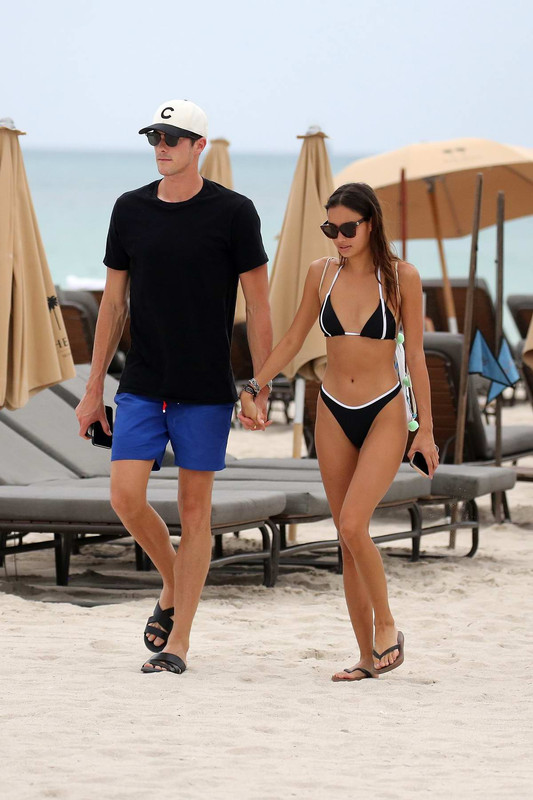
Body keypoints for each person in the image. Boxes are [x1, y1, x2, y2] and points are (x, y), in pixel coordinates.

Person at [76, 99, 272, 675]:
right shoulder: (130, 209)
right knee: (125, 497)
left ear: (198, 146)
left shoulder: (235, 213)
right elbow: (112, 304)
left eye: (173, 137)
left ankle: (178, 640)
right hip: (142, 382)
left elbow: (259, 306)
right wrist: (93, 390)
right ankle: (173, 584)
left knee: (195, 512)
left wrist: (259, 384)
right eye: (155, 136)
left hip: (207, 389)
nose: (161, 145)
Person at [240, 182, 439, 682]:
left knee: (353, 524)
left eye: (348, 228)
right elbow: (292, 337)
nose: (339, 238)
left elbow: (415, 357)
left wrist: (426, 432)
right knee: (347, 539)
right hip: (331, 410)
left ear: (371, 222)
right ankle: (367, 659)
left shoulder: (401, 277)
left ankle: (388, 627)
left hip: (386, 410)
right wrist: (255, 383)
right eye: (331, 229)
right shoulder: (320, 274)